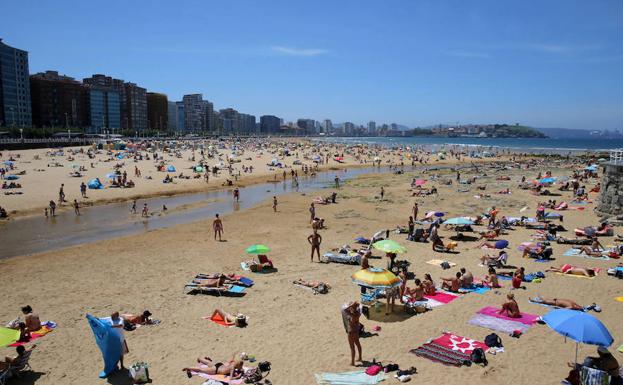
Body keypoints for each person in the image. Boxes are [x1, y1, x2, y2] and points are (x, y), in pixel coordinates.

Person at [341, 302, 362, 366]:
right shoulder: (358, 313)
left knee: (352, 347)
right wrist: (354, 305)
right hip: (356, 331)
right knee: (358, 344)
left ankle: (352, 362)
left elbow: (344, 310)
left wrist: (350, 305)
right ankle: (360, 358)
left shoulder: (352, 314)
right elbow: (359, 306)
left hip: (351, 332)